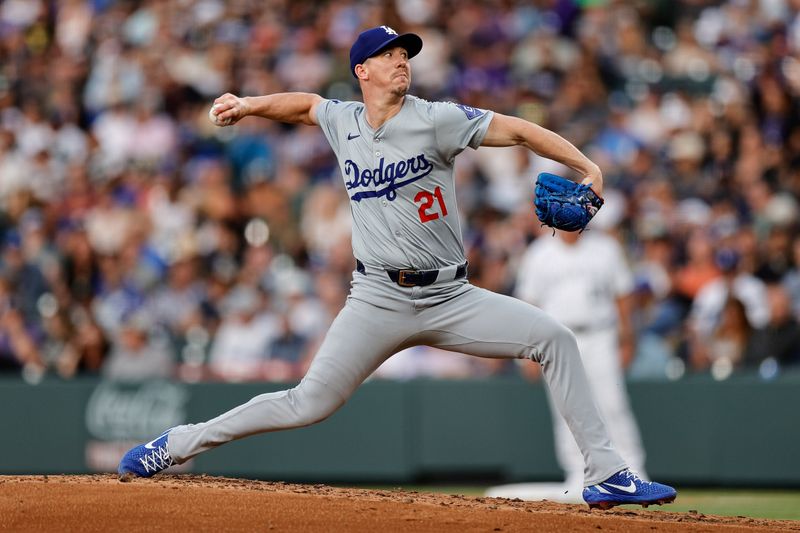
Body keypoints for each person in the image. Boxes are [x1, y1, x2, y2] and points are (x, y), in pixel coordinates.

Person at [119, 26, 676, 509]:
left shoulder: (437, 120)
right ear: (362, 70)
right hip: (377, 299)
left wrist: (585, 165)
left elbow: (520, 130)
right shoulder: (344, 121)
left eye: (405, 54)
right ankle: (176, 445)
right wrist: (249, 103)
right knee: (307, 402)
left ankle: (606, 475)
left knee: (554, 338)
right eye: (390, 55)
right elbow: (307, 104)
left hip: (452, 297)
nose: (402, 61)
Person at [486, 227, 647, 503]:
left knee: (612, 403)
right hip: (557, 339)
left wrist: (627, 338)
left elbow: (622, 295)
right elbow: (529, 304)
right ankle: (580, 474)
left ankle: (633, 471)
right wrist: (528, 351)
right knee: (566, 409)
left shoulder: (604, 247)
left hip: (600, 334)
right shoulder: (540, 253)